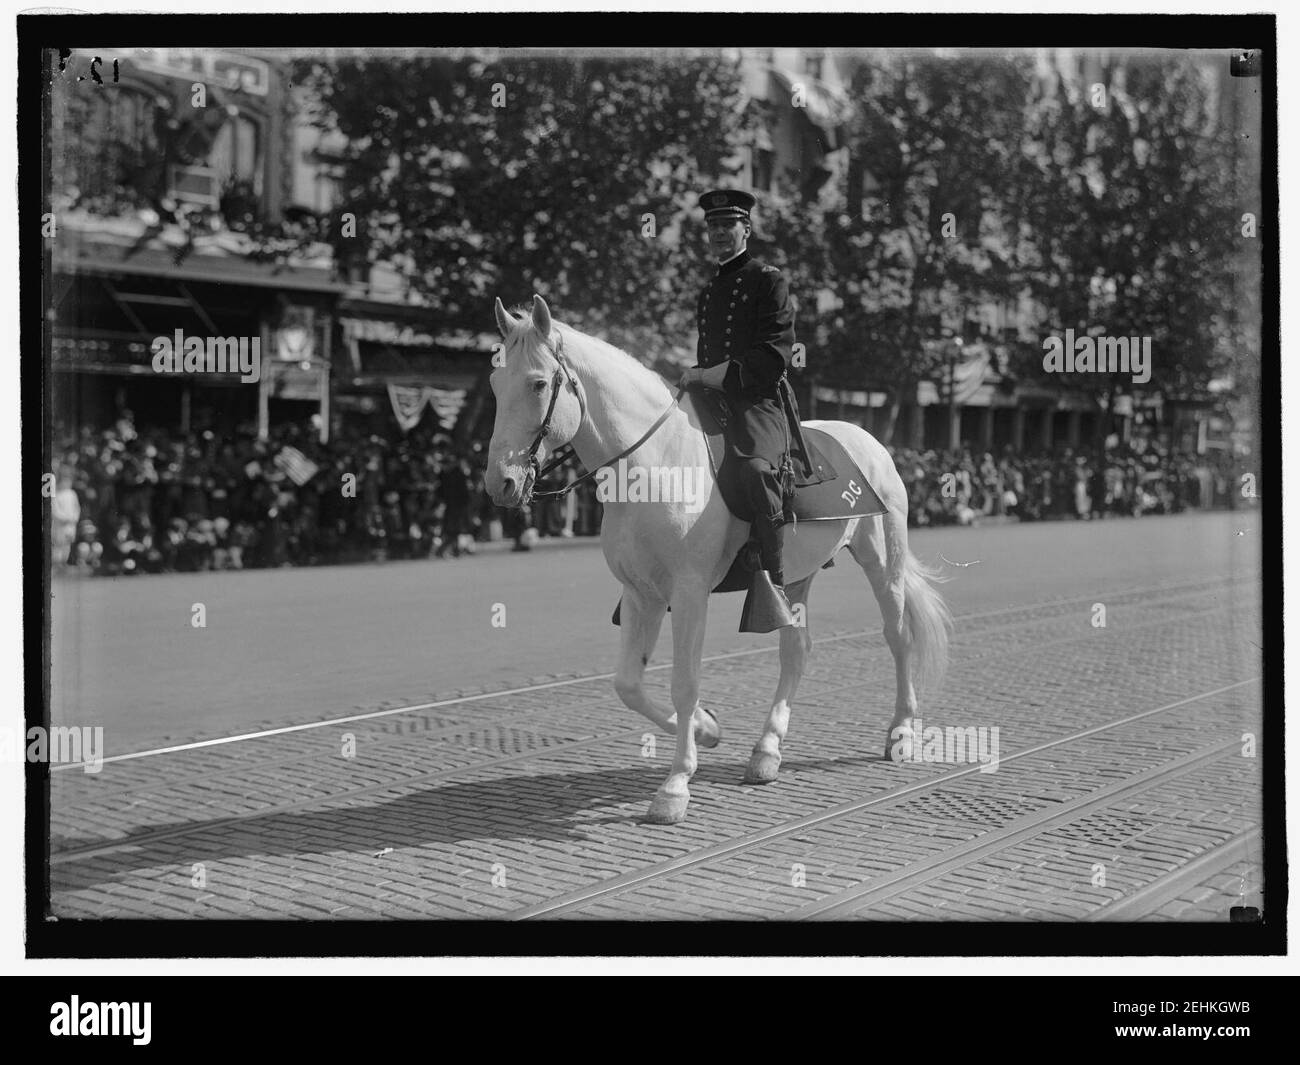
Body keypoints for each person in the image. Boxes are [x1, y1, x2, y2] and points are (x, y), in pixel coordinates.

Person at [678, 188, 805, 630]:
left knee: (754, 471)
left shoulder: (768, 279)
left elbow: (772, 358)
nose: (717, 233)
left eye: (727, 225)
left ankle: (774, 581)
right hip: (712, 397)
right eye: (711, 226)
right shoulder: (709, 290)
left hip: (758, 398)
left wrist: (704, 376)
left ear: (746, 229)